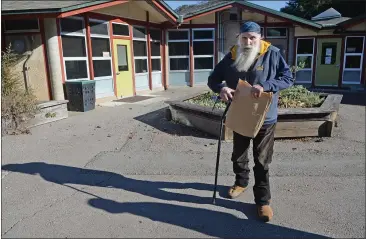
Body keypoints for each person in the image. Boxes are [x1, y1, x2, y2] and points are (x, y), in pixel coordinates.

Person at [207, 21, 294, 222]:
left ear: (259, 38)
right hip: (240, 114)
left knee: (262, 160)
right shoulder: (232, 55)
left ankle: (263, 201)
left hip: (265, 117)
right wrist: (221, 88)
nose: (248, 41)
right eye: (244, 37)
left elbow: (288, 78)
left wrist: (266, 85)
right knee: (238, 153)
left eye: (252, 38)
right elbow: (213, 79)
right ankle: (241, 182)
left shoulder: (271, 53)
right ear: (239, 38)